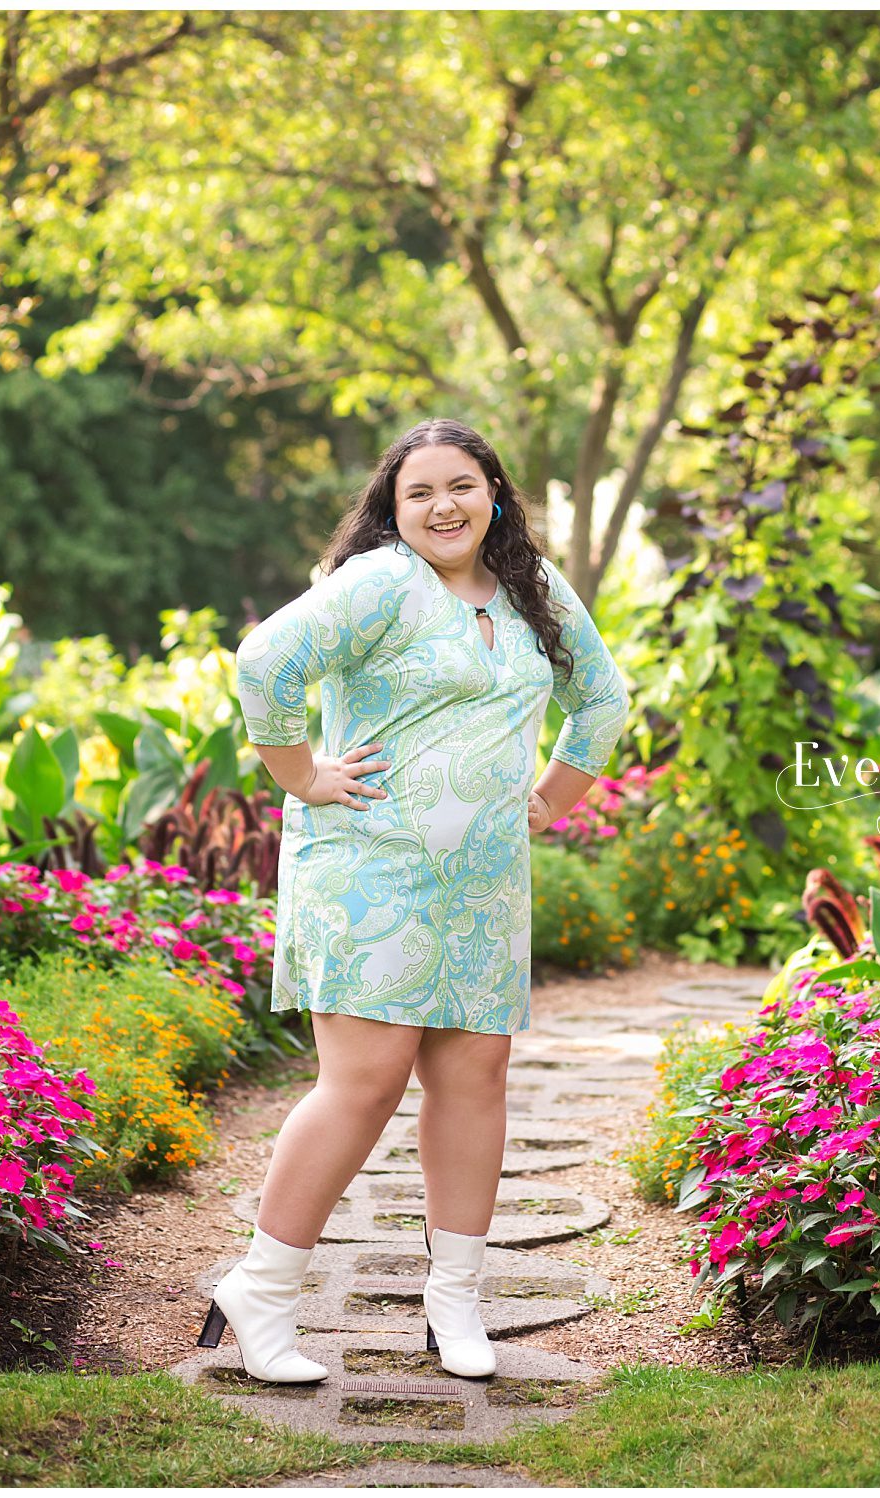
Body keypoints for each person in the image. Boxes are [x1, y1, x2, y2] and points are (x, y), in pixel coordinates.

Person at [208, 418, 629, 1382]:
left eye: (463, 485)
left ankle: (456, 1309)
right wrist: (302, 774)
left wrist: (547, 800)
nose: (445, 506)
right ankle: (261, 1295)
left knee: (476, 1080)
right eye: (421, 492)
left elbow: (602, 699)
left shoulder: (531, 587)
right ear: (394, 510)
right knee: (365, 1081)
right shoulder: (379, 584)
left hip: (482, 887)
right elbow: (265, 661)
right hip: (369, 873)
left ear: (495, 493)